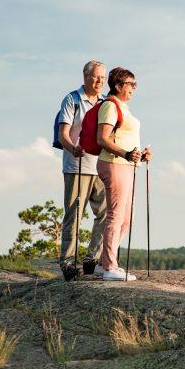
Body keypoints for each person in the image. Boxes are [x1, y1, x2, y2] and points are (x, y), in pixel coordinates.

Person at [96, 67, 152, 281]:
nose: (134, 88)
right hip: (114, 164)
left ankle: (103, 263)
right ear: (118, 86)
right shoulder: (110, 105)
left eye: (135, 84)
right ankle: (110, 267)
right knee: (116, 215)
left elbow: (124, 138)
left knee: (126, 219)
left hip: (126, 165)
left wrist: (140, 155)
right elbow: (103, 139)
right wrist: (127, 154)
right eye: (131, 84)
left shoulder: (123, 107)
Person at [57, 60, 108, 281]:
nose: (99, 81)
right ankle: (68, 263)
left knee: (106, 213)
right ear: (85, 76)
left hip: (101, 165)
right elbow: (63, 134)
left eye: (103, 78)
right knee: (74, 216)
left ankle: (91, 259)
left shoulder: (106, 102)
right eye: (95, 76)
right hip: (76, 166)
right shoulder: (72, 99)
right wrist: (72, 148)